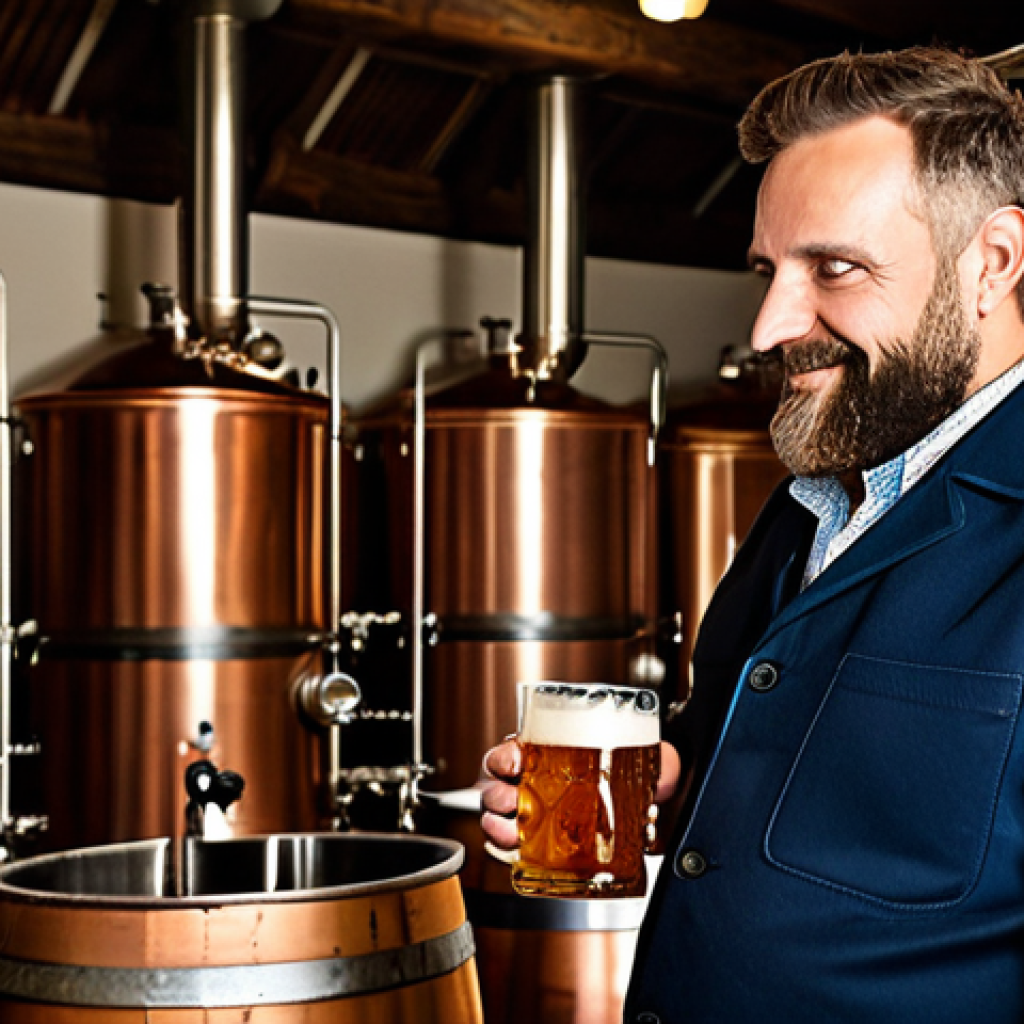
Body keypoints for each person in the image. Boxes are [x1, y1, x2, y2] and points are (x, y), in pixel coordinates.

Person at [481, 47, 1024, 1023]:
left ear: (990, 263)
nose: (771, 324)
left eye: (834, 268)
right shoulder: (805, 506)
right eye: (769, 270)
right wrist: (673, 780)